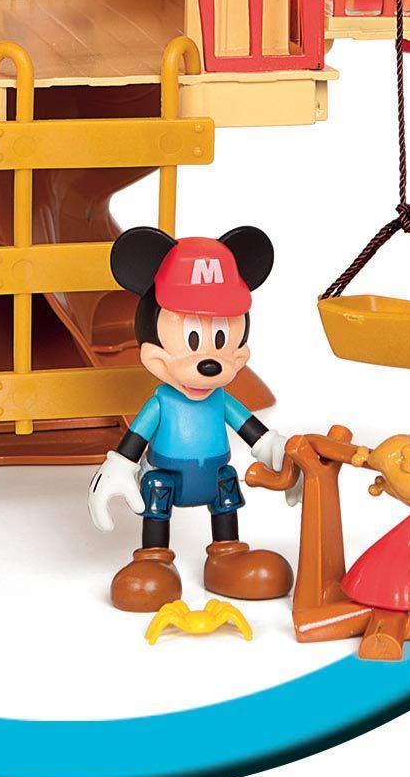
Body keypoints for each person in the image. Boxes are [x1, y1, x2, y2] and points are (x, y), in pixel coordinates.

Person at [88, 225, 298, 611]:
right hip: (165, 477)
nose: (208, 361)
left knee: (226, 499)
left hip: (216, 475)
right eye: (191, 339)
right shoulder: (162, 402)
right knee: (156, 501)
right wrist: (118, 467)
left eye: (220, 339)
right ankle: (153, 559)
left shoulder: (221, 399)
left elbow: (254, 432)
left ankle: (226, 556)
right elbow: (135, 441)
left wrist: (277, 450)